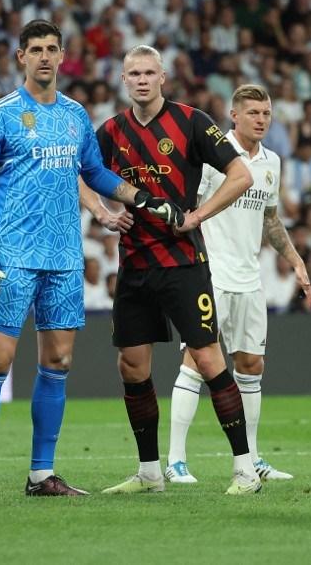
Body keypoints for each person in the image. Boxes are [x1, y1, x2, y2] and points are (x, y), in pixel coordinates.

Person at [0, 20, 183, 501]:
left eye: (51, 49)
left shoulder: (77, 116)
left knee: (57, 361)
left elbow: (95, 173)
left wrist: (142, 199)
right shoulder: (1, 115)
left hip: (64, 259)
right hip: (13, 258)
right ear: (20, 57)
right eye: (34, 49)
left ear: (62, 57)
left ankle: (42, 475)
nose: (43, 57)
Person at [83, 45, 260, 496]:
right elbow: (78, 174)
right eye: (133, 73)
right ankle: (149, 473)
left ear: (163, 77)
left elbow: (242, 175)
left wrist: (198, 215)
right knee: (132, 366)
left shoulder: (191, 121)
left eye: (148, 72)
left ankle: (244, 469)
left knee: (207, 358)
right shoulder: (111, 131)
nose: (141, 80)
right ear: (124, 81)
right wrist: (103, 212)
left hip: (183, 264)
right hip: (135, 265)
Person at [165, 83, 311, 484]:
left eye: (266, 113)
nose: (261, 120)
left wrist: (296, 261)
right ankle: (176, 460)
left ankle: (251, 460)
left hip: (250, 279)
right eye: (253, 113)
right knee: (197, 362)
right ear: (234, 115)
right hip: (211, 275)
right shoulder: (213, 157)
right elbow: (186, 210)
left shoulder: (272, 163)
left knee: (251, 366)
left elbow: (269, 218)